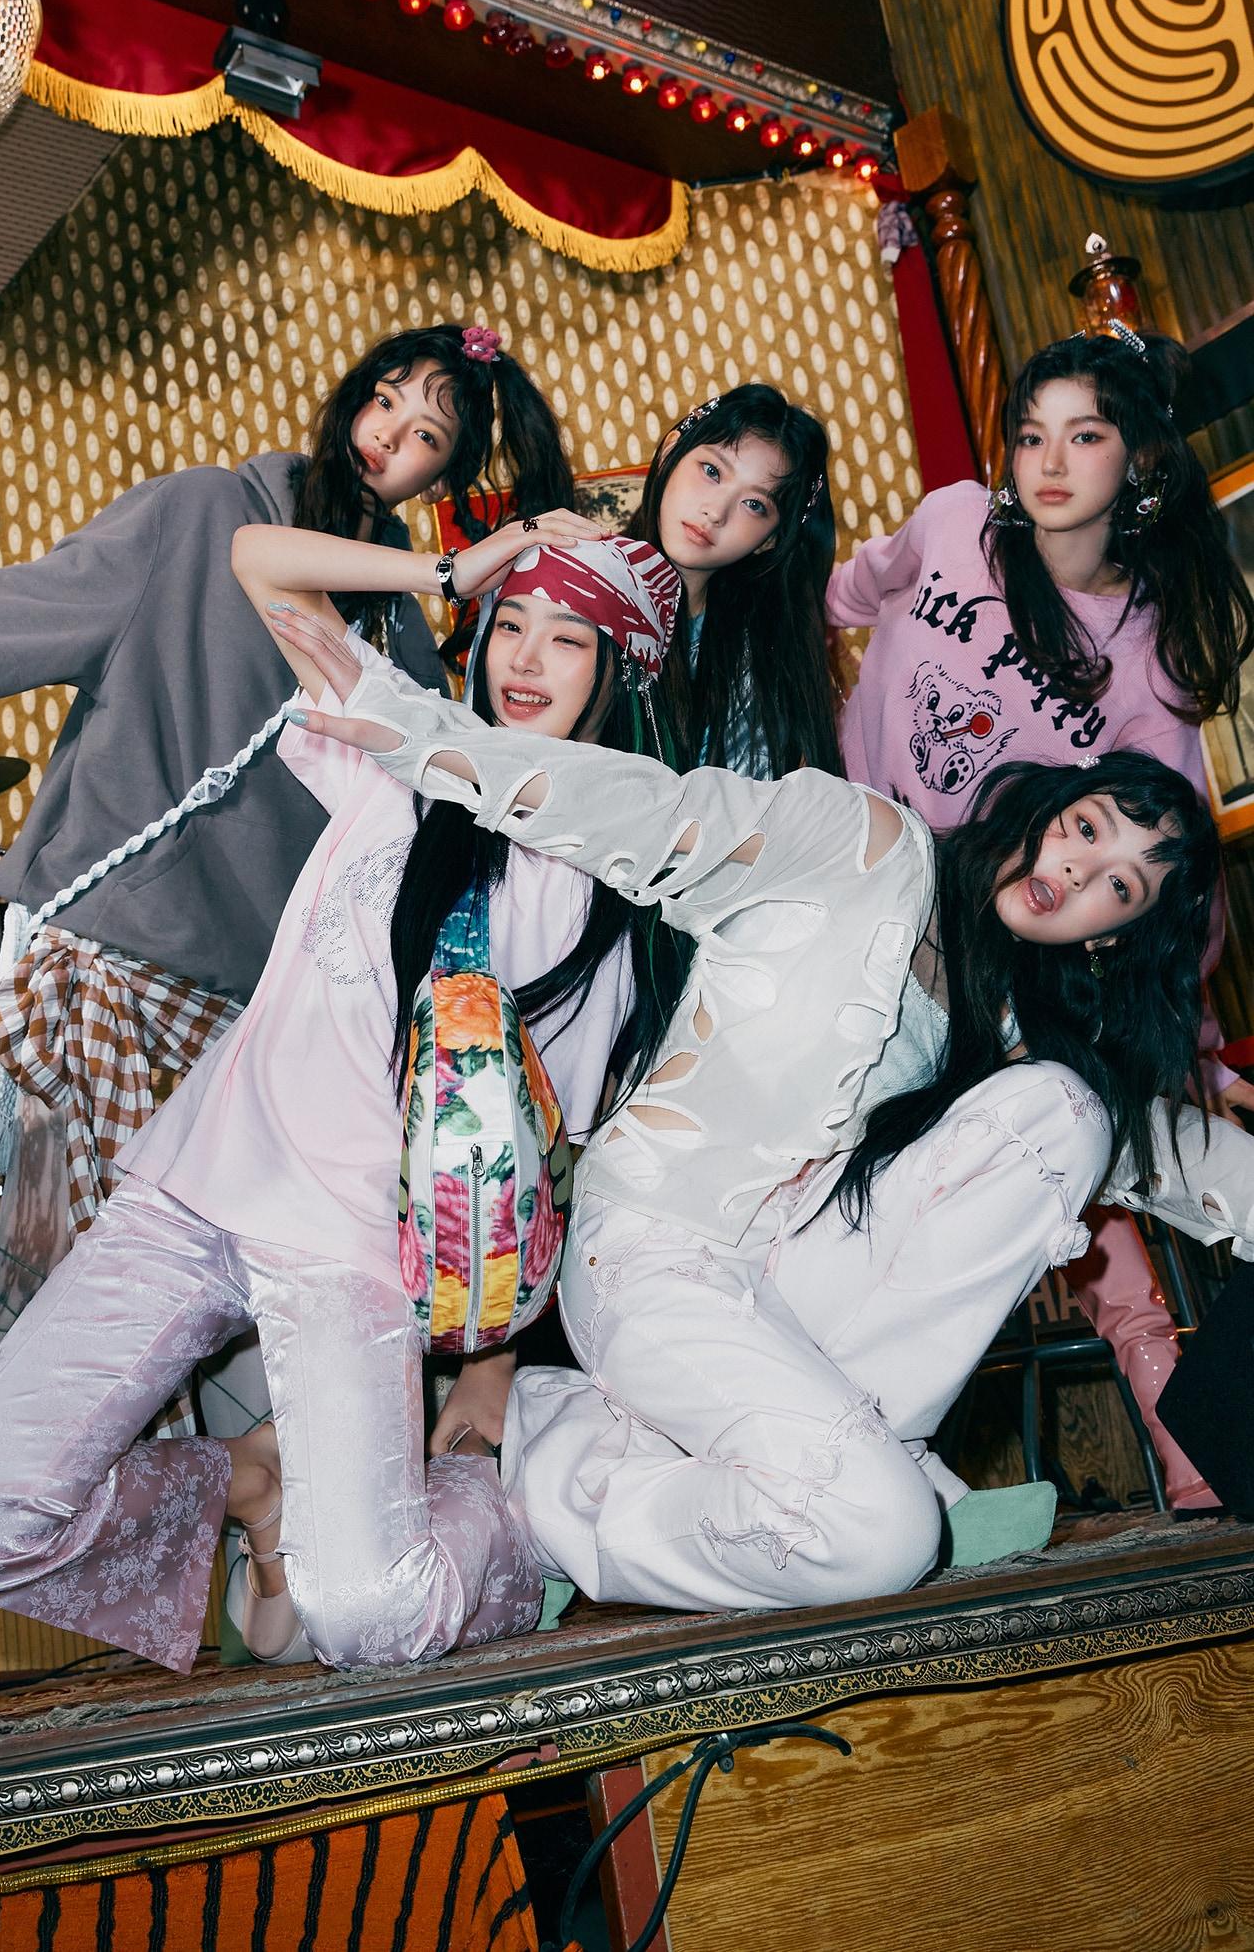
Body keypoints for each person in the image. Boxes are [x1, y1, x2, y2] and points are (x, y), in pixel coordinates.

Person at [0, 321, 574, 1714]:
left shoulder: (404, 641)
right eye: (385, 399)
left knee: (246, 1336)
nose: (391, 435)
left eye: (430, 433)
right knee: (40, 1273)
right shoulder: (204, 520)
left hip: (257, 1022)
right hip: (111, 956)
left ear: (446, 474)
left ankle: (272, 1564)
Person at [260, 624, 1249, 1613]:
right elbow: (649, 813)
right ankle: (562, 1477)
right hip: (653, 1252)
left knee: (1068, 1111)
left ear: (1112, 938)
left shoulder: (1008, 1030)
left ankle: (835, 1458)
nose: (1078, 873)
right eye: (1085, 830)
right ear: (1046, 809)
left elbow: (1158, 1149)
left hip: (790, 1283)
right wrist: (419, 732)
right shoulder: (858, 842)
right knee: (883, 1536)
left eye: (1119, 887)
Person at [0, 524, 693, 1672]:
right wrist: (458, 567)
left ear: (620, 673)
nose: (524, 657)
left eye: (567, 639)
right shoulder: (402, 751)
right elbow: (255, 563)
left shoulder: (602, 897)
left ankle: (510, 1510)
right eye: (509, 625)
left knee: (367, 1618)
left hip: (353, 1259)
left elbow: (541, 1154)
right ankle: (246, 1482)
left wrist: (492, 1365)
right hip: (192, 1196)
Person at [826, 325, 1254, 1511]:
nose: (1049, 463)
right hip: (857, 887)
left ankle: (1165, 1399)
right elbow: (842, 593)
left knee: (1068, 1121)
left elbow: (1172, 878)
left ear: (1138, 462)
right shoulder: (951, 522)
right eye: (1029, 435)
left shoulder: (1142, 657)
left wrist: (1194, 1051)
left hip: (994, 933)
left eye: (1084, 436)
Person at [634, 385, 841, 780]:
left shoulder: (755, 659)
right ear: (669, 453)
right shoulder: (577, 584)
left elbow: (745, 802)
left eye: (754, 505)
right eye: (712, 471)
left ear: (770, 539)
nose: (716, 512)